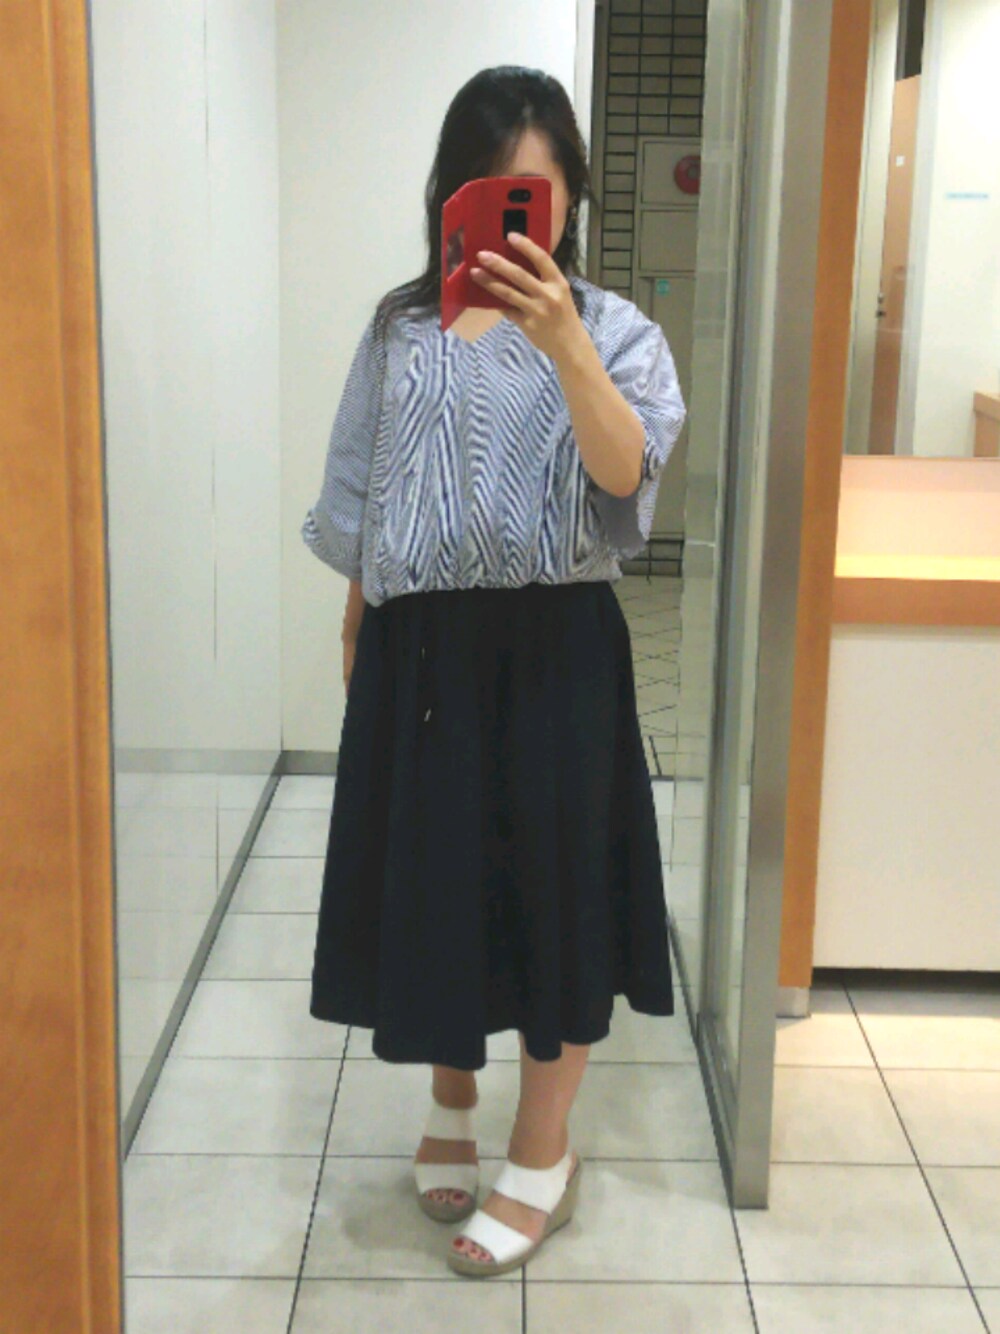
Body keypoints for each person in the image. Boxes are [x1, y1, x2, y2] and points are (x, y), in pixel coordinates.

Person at [301, 65, 687, 1278]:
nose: (514, 210)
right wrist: (357, 623)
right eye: (487, 187)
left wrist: (563, 340)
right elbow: (364, 491)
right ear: (449, 196)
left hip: (557, 648)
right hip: (419, 651)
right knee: (439, 883)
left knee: (556, 900)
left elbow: (624, 477)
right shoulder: (399, 327)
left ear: (569, 196)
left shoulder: (615, 330)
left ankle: (542, 1149)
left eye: (534, 190)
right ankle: (451, 1097)